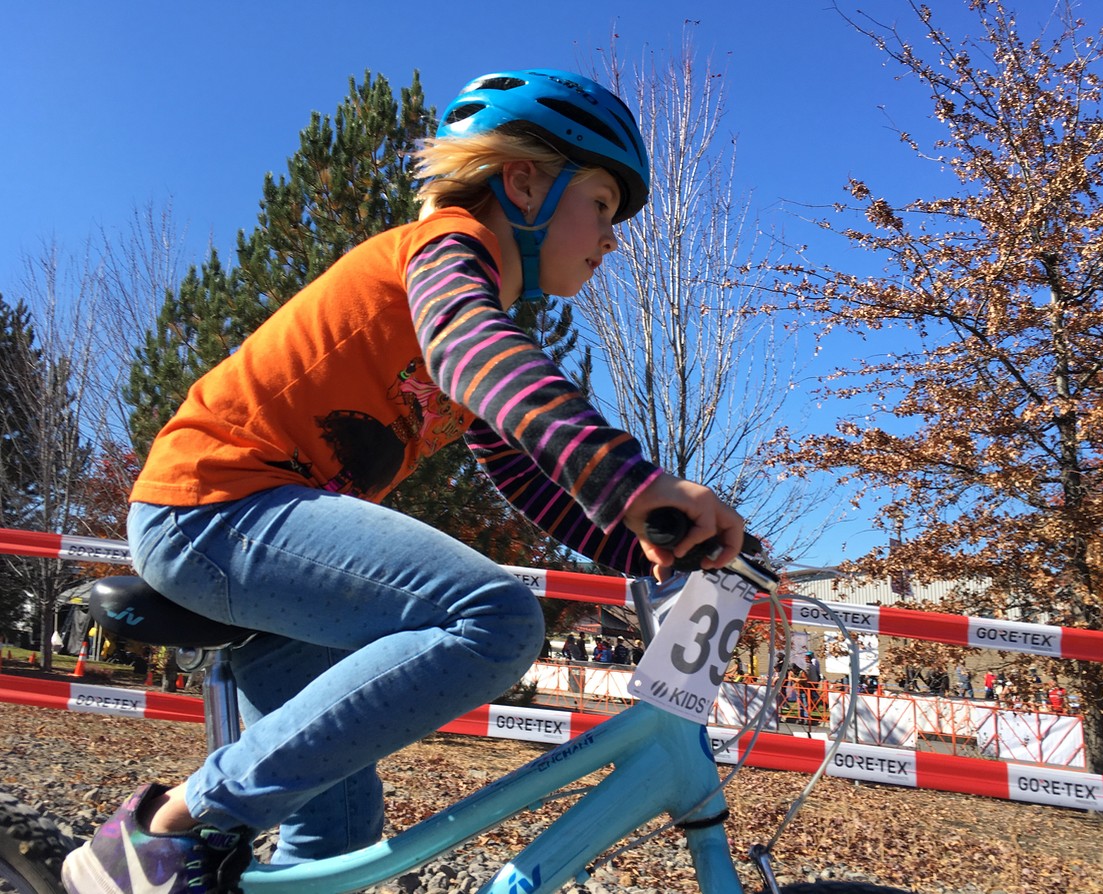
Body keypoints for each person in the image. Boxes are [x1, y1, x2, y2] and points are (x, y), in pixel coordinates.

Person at [62, 69, 745, 894]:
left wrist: (652, 549)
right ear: (524, 183)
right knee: (493, 617)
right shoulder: (449, 254)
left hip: (263, 563)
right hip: (210, 509)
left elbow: (527, 479)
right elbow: (473, 352)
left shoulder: (476, 317)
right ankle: (163, 834)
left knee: (336, 843)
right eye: (602, 205)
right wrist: (633, 483)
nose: (611, 236)